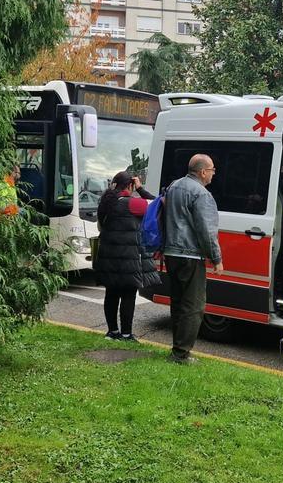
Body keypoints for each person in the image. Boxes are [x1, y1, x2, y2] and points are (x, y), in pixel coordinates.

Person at [162, 154, 222, 364]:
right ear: (203, 172)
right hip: (191, 255)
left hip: (171, 253)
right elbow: (206, 230)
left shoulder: (174, 186)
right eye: (212, 170)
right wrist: (216, 258)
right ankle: (181, 354)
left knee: (178, 302)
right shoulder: (202, 194)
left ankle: (177, 348)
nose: (213, 174)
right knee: (194, 306)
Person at [94, 171, 159, 341]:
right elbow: (157, 205)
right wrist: (141, 189)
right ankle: (126, 334)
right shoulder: (134, 203)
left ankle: (112, 332)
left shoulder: (106, 203)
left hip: (108, 256)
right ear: (130, 185)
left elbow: (100, 227)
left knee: (111, 293)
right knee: (128, 294)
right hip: (128, 258)